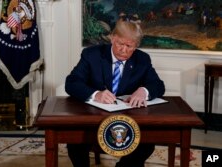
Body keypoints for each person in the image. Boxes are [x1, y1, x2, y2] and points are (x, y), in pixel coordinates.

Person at [65, 15, 165, 167]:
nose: (124, 50)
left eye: (129, 46)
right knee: (75, 141)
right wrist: (96, 94)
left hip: (129, 121)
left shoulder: (142, 59)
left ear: (136, 46)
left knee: (147, 144)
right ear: (112, 38)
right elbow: (71, 83)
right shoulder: (92, 55)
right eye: (120, 44)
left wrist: (143, 91)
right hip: (94, 119)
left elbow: (158, 85)